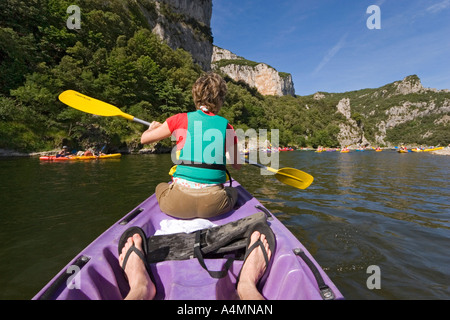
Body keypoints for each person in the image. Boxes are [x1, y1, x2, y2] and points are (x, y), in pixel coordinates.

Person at [140, 72, 242, 219]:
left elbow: (144, 139)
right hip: (214, 205)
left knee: (160, 187)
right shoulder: (228, 127)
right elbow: (237, 166)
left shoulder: (179, 119)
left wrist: (152, 128)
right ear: (220, 100)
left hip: (177, 205)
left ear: (195, 96)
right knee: (234, 191)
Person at [118, 230, 272, 300]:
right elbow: (236, 166)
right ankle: (246, 285)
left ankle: (141, 287)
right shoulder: (227, 162)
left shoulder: (180, 164)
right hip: (218, 199)